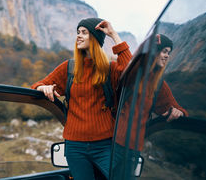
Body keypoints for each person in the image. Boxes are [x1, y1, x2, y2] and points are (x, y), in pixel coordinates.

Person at [31, 17, 132, 180]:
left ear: (95, 37)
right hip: (75, 147)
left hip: (105, 145)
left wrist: (113, 35)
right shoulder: (69, 67)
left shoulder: (110, 69)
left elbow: (131, 72)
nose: (78, 36)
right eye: (78, 32)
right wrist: (43, 87)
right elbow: (38, 84)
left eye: (84, 32)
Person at [112, 34, 188, 178]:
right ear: (154, 51)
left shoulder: (158, 84)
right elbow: (130, 66)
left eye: (169, 53)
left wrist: (179, 112)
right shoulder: (134, 73)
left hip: (132, 151)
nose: (167, 56)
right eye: (164, 51)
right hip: (110, 145)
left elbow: (177, 108)